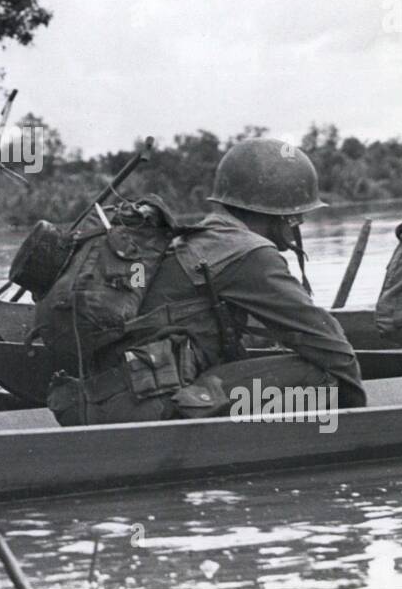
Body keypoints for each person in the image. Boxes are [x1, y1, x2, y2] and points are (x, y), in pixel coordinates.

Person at [45, 137, 367, 426]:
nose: (301, 222)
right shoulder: (251, 253)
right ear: (281, 215)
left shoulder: (198, 239)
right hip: (143, 411)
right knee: (324, 376)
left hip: (97, 401)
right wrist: (363, 421)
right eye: (298, 214)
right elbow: (331, 349)